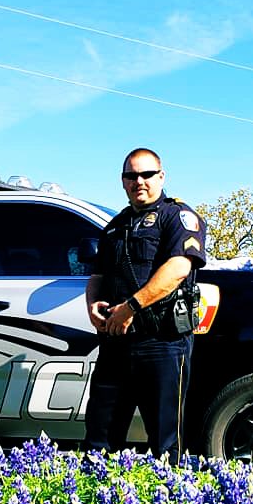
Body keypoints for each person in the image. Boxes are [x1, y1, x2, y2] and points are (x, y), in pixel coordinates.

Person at [83, 147, 206, 464]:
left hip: (162, 341)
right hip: (116, 342)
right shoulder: (115, 225)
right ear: (123, 181)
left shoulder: (176, 216)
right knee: (99, 439)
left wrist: (131, 307)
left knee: (166, 443)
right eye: (131, 175)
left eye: (147, 174)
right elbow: (98, 274)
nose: (139, 181)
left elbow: (179, 267)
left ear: (161, 176)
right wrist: (93, 303)